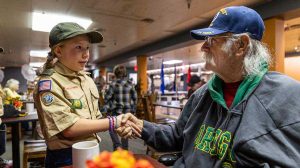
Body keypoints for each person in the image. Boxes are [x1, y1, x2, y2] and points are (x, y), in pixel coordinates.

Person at [117, 6, 300, 167]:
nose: (203, 47)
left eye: (212, 40)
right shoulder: (202, 94)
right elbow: (177, 135)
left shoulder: (286, 95)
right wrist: (142, 126)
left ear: (241, 45)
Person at [33, 22, 141, 167]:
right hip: (65, 156)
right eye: (78, 47)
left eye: (87, 48)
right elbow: (69, 128)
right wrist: (113, 122)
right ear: (58, 51)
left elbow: (93, 119)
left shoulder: (86, 79)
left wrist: (116, 126)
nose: (86, 54)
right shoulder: (49, 83)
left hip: (92, 149)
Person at [103, 65, 137, 150]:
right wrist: (133, 110)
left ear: (115, 73)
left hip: (116, 111)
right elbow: (135, 98)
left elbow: (107, 98)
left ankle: (117, 145)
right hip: (128, 112)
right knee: (125, 129)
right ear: (125, 73)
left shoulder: (113, 84)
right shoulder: (130, 83)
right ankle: (125, 149)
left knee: (111, 128)